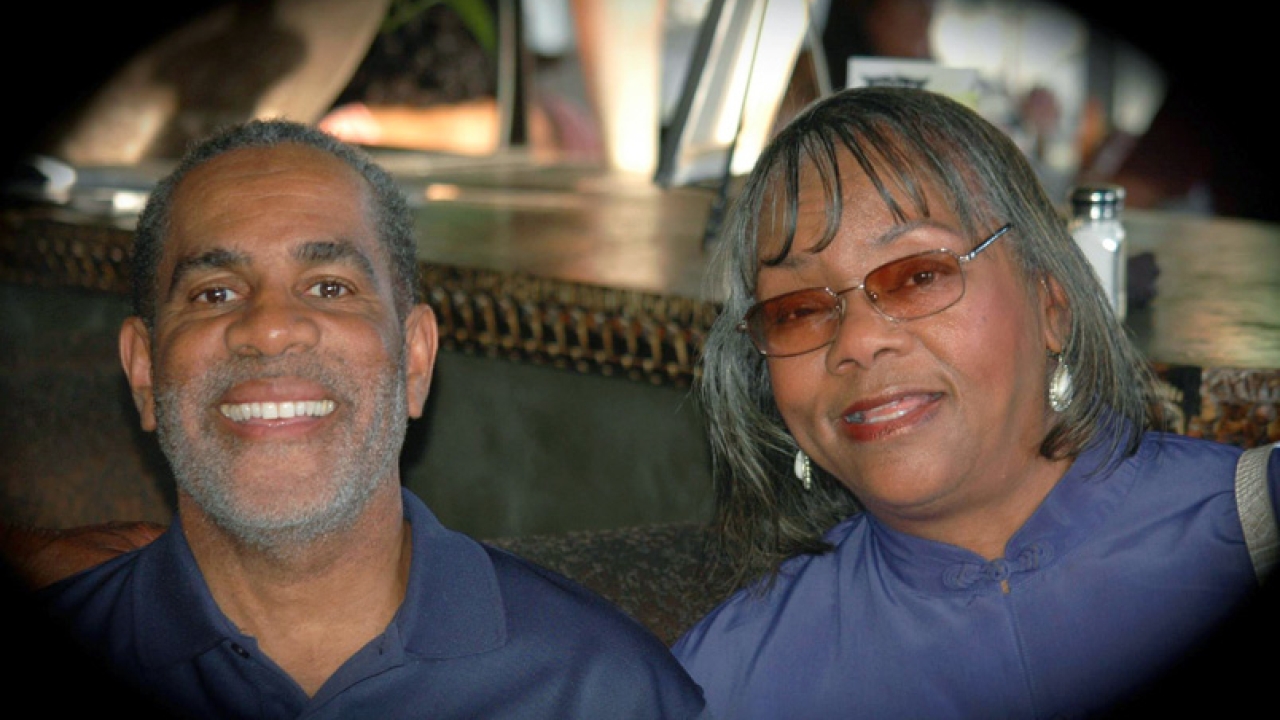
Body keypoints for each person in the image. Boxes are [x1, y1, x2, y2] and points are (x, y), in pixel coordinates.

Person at [22, 118, 708, 719]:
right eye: (215, 292)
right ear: (144, 370)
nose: (269, 329)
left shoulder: (599, 692)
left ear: (414, 358)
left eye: (329, 287)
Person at [670, 86, 1279, 718]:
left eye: (918, 275)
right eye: (797, 311)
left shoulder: (1250, 535)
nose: (857, 342)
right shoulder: (726, 684)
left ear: (1051, 304)